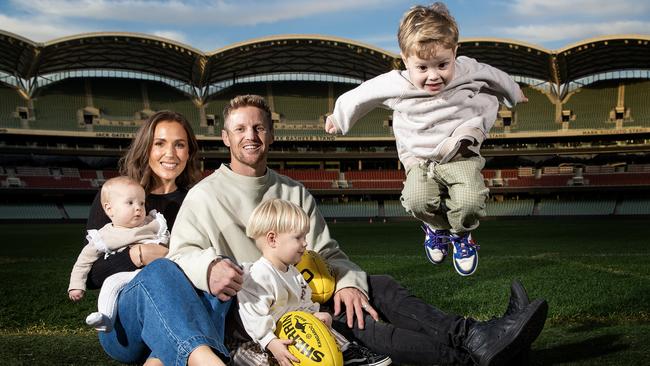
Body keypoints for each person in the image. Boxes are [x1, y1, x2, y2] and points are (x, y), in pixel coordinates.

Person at [167, 94, 548, 366]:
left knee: (375, 287)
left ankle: (475, 337)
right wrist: (210, 267)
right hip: (264, 312)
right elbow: (179, 256)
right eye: (240, 129)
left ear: (270, 134)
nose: (250, 135)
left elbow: (327, 253)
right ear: (226, 138)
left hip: (307, 292)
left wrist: (348, 282)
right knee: (366, 324)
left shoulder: (292, 191)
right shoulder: (204, 196)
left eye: (258, 127)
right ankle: (476, 351)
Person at [325, 3, 527, 277]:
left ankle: (461, 235)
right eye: (422, 67)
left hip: (459, 151)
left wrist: (514, 93)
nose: (433, 76)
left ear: (455, 53)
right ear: (405, 60)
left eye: (443, 65)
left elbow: (494, 76)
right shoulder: (395, 84)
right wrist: (339, 118)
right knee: (417, 200)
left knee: (469, 201)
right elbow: (362, 94)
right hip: (419, 158)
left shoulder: (468, 69)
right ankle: (436, 229)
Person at [83, 111, 231, 366]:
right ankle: (206, 360)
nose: (170, 153)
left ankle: (159, 361)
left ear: (189, 152)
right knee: (162, 269)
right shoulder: (117, 197)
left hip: (182, 321)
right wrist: (136, 255)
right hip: (125, 331)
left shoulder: (198, 200)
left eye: (180, 144)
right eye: (160, 143)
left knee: (225, 268)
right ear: (146, 148)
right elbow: (90, 274)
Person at [235, 198, 391, 366]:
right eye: (298, 237)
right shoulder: (258, 275)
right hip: (258, 341)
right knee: (252, 359)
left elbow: (303, 304)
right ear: (272, 239)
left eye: (305, 236)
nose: (305, 243)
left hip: (292, 333)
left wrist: (315, 315)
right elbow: (252, 318)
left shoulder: (295, 273)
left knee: (329, 331)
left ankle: (349, 353)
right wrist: (270, 342)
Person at [68, 176, 170, 332]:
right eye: (130, 203)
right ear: (109, 209)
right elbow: (84, 261)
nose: (138, 208)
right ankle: (105, 318)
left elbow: (171, 242)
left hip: (158, 270)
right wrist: (76, 285)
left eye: (141, 203)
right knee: (110, 284)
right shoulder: (104, 235)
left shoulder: (152, 222)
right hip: (128, 277)